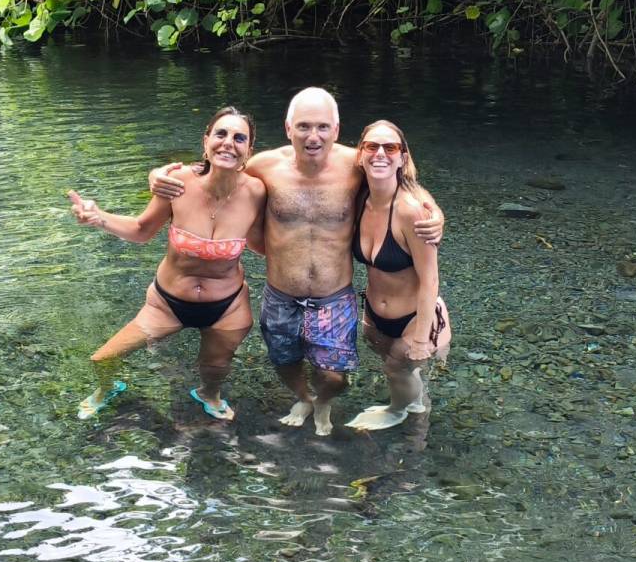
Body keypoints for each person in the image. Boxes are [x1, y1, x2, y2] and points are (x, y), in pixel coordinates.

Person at [150, 88, 442, 437]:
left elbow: (401, 184)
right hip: (280, 294)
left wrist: (435, 213)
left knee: (335, 375)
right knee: (284, 359)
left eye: (322, 127)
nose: (313, 136)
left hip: (333, 295)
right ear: (288, 128)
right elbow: (215, 168)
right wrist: (158, 176)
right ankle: (303, 396)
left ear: (336, 130)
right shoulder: (265, 166)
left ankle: (324, 400)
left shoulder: (356, 164)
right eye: (304, 126)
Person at [66, 107, 266, 421]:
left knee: (215, 370)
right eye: (221, 134)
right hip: (167, 304)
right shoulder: (177, 183)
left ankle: (208, 394)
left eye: (239, 138)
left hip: (227, 306)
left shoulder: (257, 193)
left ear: (248, 151)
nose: (229, 143)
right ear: (206, 141)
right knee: (103, 360)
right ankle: (107, 389)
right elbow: (142, 230)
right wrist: (98, 218)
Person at [344, 121, 449, 431]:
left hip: (417, 317)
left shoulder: (411, 211)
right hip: (376, 316)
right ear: (359, 154)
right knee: (404, 374)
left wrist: (420, 339)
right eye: (372, 146)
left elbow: (430, 279)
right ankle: (415, 409)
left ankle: (397, 411)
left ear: (403, 157)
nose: (380, 154)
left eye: (390, 148)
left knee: (396, 369)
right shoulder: (358, 198)